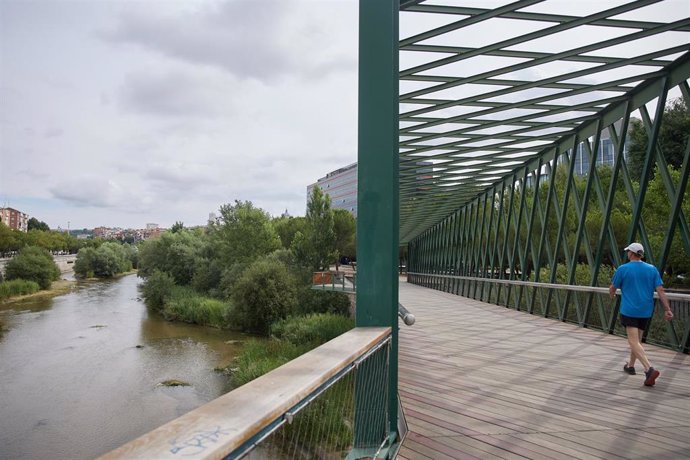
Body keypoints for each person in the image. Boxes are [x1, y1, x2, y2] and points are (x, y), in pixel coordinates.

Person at [609, 242, 673, 387]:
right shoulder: (652, 269)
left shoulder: (623, 269)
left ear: (631, 253)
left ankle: (648, 369)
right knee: (637, 340)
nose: (627, 254)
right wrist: (667, 309)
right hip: (645, 311)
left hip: (629, 310)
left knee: (633, 341)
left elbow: (613, 287)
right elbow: (661, 290)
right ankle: (630, 366)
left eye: (628, 252)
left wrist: (611, 294)